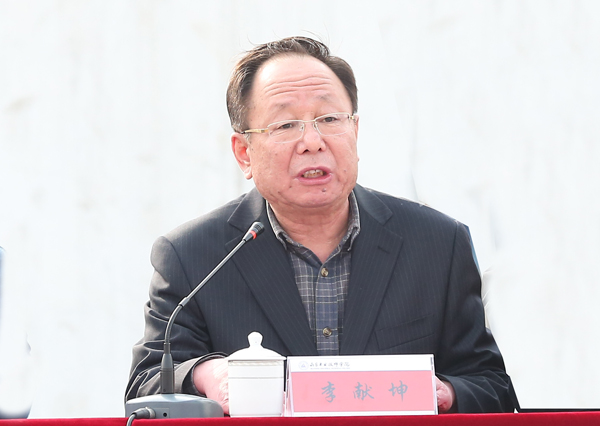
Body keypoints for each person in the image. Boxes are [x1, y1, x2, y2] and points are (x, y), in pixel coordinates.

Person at [126, 36, 517, 414]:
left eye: (329, 119)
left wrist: (445, 393)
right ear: (244, 153)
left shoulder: (437, 244)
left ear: (355, 132)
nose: (312, 141)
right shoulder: (192, 256)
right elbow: (146, 387)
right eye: (285, 125)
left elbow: (492, 387)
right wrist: (205, 374)